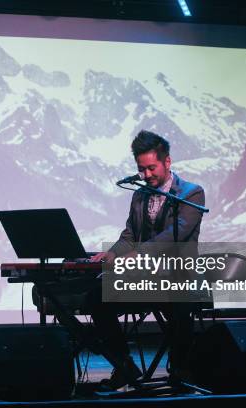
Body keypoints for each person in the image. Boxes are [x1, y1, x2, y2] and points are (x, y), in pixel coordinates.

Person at [88, 130, 205, 389]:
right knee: (97, 297)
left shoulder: (191, 193)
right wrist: (114, 252)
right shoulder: (139, 195)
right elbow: (130, 234)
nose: (147, 175)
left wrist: (139, 254)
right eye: (142, 169)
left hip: (178, 277)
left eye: (152, 168)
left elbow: (174, 235)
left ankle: (181, 372)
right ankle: (125, 366)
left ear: (167, 162)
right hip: (145, 278)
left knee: (180, 297)